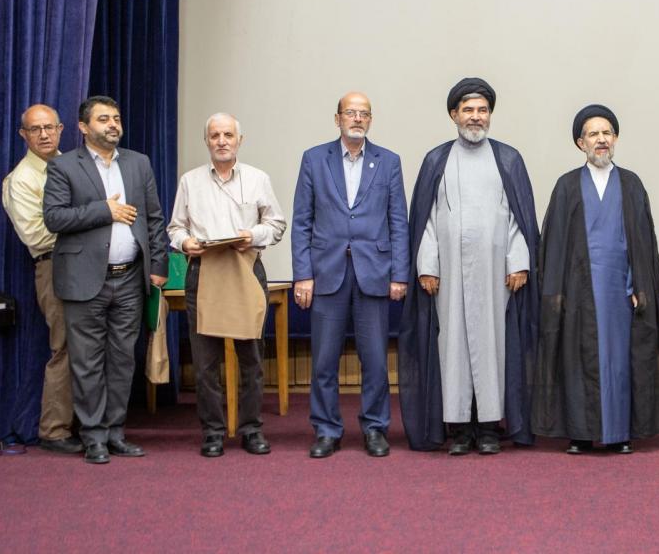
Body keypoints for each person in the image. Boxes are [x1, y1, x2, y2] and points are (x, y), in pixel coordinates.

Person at [398, 77, 539, 454]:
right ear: (454, 115)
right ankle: (459, 428)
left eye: (482, 110)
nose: (476, 117)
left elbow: (520, 218)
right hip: (449, 276)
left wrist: (519, 262)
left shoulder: (508, 159)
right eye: (468, 110)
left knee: (495, 346)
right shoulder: (436, 160)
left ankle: (490, 427)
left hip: (497, 276)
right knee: (453, 346)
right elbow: (426, 219)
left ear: (490, 115)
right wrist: (427, 265)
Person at [533, 105, 659, 454]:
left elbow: (644, 241)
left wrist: (640, 285)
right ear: (580, 143)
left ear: (615, 139)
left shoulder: (631, 184)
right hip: (578, 291)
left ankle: (620, 432)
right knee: (577, 361)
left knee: (619, 362)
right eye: (593, 134)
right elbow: (554, 243)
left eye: (606, 133)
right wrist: (558, 294)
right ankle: (581, 433)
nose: (601, 140)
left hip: (620, 292)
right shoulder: (567, 185)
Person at [42, 95, 168, 464]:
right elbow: (54, 218)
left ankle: (115, 432)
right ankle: (93, 436)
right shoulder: (64, 166)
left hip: (130, 278)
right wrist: (105, 210)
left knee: (123, 360)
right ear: (83, 127)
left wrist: (158, 264)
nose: (112, 124)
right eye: (103, 119)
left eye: (116, 118)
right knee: (86, 362)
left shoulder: (138, 163)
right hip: (83, 279)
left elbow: (154, 218)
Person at [292, 93, 409, 459]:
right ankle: (327, 430)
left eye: (364, 114)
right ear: (337, 118)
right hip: (326, 273)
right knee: (324, 361)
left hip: (374, 273)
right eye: (350, 113)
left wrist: (400, 275)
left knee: (375, 361)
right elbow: (301, 221)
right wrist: (302, 275)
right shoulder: (314, 159)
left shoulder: (389, 162)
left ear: (370, 120)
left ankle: (375, 428)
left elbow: (398, 222)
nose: (357, 119)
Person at [168, 112, 286, 458]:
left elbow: (276, 224)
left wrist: (253, 235)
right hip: (204, 271)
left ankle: (251, 429)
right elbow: (175, 228)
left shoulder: (257, 178)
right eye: (215, 135)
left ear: (239, 140)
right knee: (205, 362)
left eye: (228, 135)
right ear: (206, 141)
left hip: (245, 269)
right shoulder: (190, 181)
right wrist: (184, 242)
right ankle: (213, 432)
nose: (222, 141)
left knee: (252, 359)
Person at [1, 104, 82, 454]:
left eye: (50, 127)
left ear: (62, 129)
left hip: (89, 263)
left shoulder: (76, 165)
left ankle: (92, 425)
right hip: (53, 266)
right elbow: (36, 235)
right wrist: (86, 222)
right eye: (35, 129)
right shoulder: (20, 180)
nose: (44, 134)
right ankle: (54, 430)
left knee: (92, 346)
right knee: (64, 347)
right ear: (24, 135)